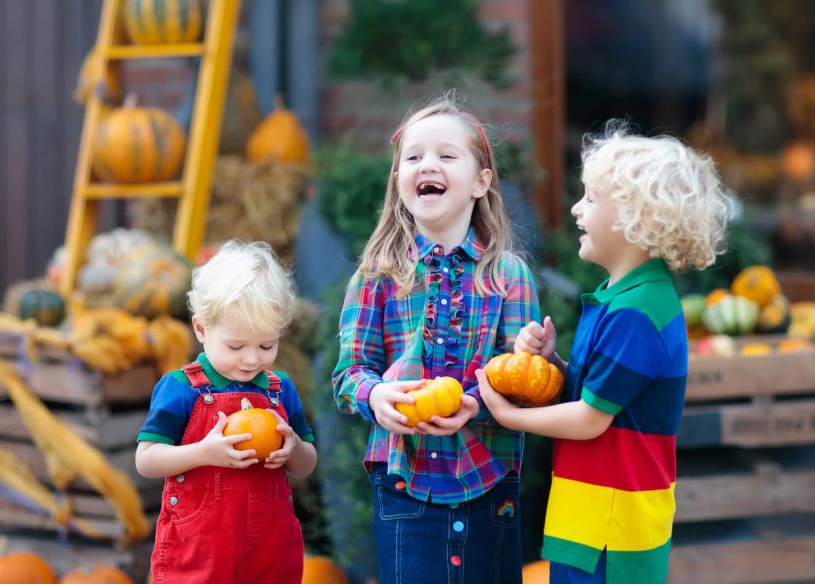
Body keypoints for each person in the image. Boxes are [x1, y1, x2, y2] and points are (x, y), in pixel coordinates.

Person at [477, 121, 732, 584]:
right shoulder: (621, 297)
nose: (576, 208)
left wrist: (507, 415)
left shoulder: (638, 311)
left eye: (591, 199)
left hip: (613, 526)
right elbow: (606, 394)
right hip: (596, 512)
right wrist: (555, 367)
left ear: (642, 218)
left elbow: (592, 419)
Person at [331, 93, 540, 583]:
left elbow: (522, 380)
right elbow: (347, 374)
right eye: (414, 157)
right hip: (404, 484)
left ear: (481, 182)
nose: (429, 164)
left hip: (490, 481)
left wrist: (475, 402)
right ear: (399, 179)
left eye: (447, 156)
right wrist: (375, 394)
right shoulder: (377, 276)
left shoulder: (509, 275)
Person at [136, 239, 317, 584]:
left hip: (269, 553)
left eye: (266, 345)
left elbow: (307, 466)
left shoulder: (280, 391)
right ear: (202, 329)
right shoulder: (181, 389)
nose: (251, 359)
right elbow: (146, 460)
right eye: (236, 346)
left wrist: (294, 448)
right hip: (201, 556)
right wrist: (205, 452)